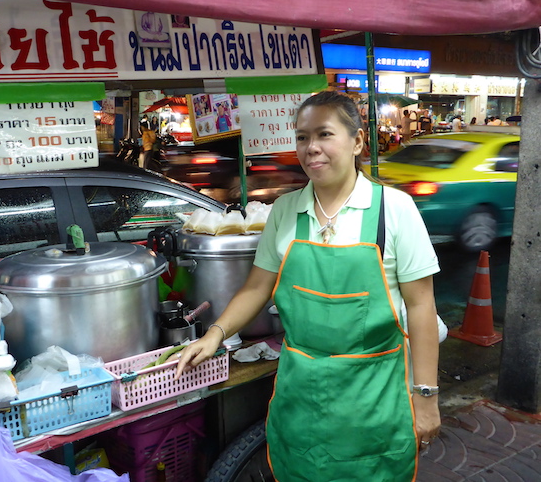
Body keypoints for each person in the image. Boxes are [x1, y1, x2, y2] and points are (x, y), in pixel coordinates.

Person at [176, 90, 441, 481]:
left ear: (357, 141)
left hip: (375, 398)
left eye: (324, 134)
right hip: (301, 395)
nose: (311, 148)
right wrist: (215, 334)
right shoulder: (285, 211)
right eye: (302, 137)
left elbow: (421, 307)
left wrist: (427, 396)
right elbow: (256, 287)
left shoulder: (394, 210)